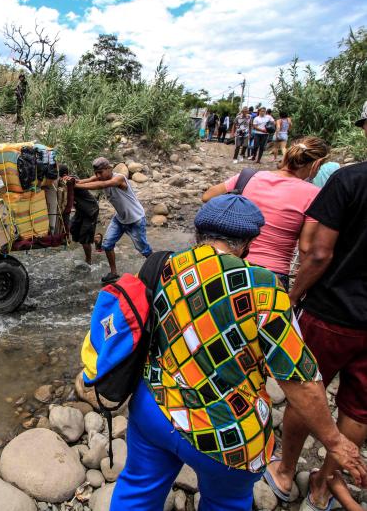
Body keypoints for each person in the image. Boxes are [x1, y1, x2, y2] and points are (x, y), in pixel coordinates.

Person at [109, 194, 367, 511]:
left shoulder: (163, 265)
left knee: (137, 488)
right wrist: (334, 440)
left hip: (153, 410)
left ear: (198, 234)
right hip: (225, 433)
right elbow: (298, 379)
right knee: (226, 502)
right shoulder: (263, 286)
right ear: (248, 243)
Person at [264, 100, 367, 511]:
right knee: (359, 407)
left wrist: (292, 297)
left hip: (333, 311)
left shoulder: (349, 180)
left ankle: (286, 472)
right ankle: (325, 484)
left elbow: (317, 253)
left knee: (309, 391)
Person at [202, 136, 328, 290]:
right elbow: (305, 248)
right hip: (272, 276)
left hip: (230, 265)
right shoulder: (314, 195)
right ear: (316, 165)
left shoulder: (250, 177)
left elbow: (207, 196)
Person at [73, 157, 151, 284]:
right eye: (96, 173)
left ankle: (157, 265)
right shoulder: (101, 177)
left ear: (109, 169)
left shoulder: (119, 178)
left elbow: (102, 184)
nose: (98, 176)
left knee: (143, 249)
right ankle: (113, 273)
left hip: (135, 220)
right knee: (107, 245)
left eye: (100, 172)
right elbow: (88, 180)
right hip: (120, 219)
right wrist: (74, 181)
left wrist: (77, 186)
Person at [59, 164, 99, 266]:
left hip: (90, 210)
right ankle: (96, 239)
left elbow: (74, 181)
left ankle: (89, 261)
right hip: (80, 210)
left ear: (64, 175)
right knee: (73, 230)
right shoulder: (62, 181)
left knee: (84, 238)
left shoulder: (72, 180)